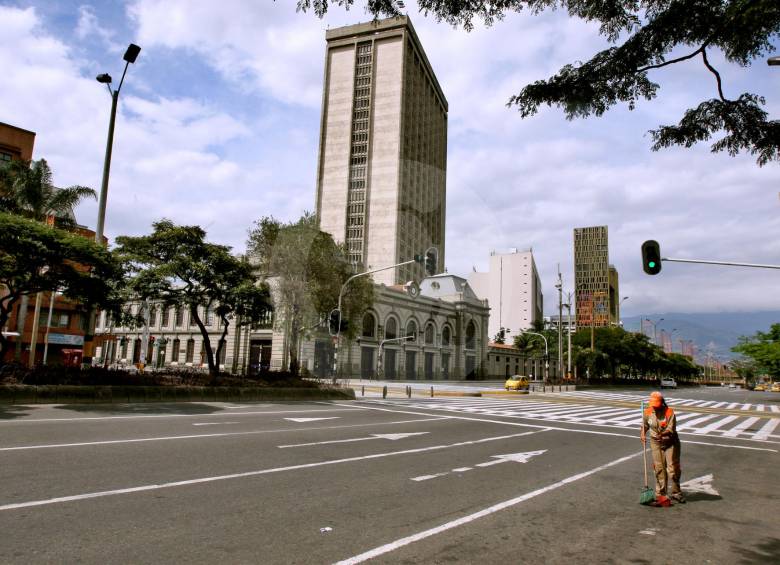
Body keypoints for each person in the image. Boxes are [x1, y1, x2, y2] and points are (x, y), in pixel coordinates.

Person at [641, 391, 685, 503]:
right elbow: (645, 425)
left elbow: (671, 430)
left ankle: (676, 492)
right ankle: (661, 494)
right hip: (656, 442)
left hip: (671, 442)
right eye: (653, 405)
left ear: (662, 403)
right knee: (659, 468)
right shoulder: (648, 412)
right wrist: (642, 434)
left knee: (673, 469)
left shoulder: (669, 412)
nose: (654, 407)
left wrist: (662, 435)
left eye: (657, 405)